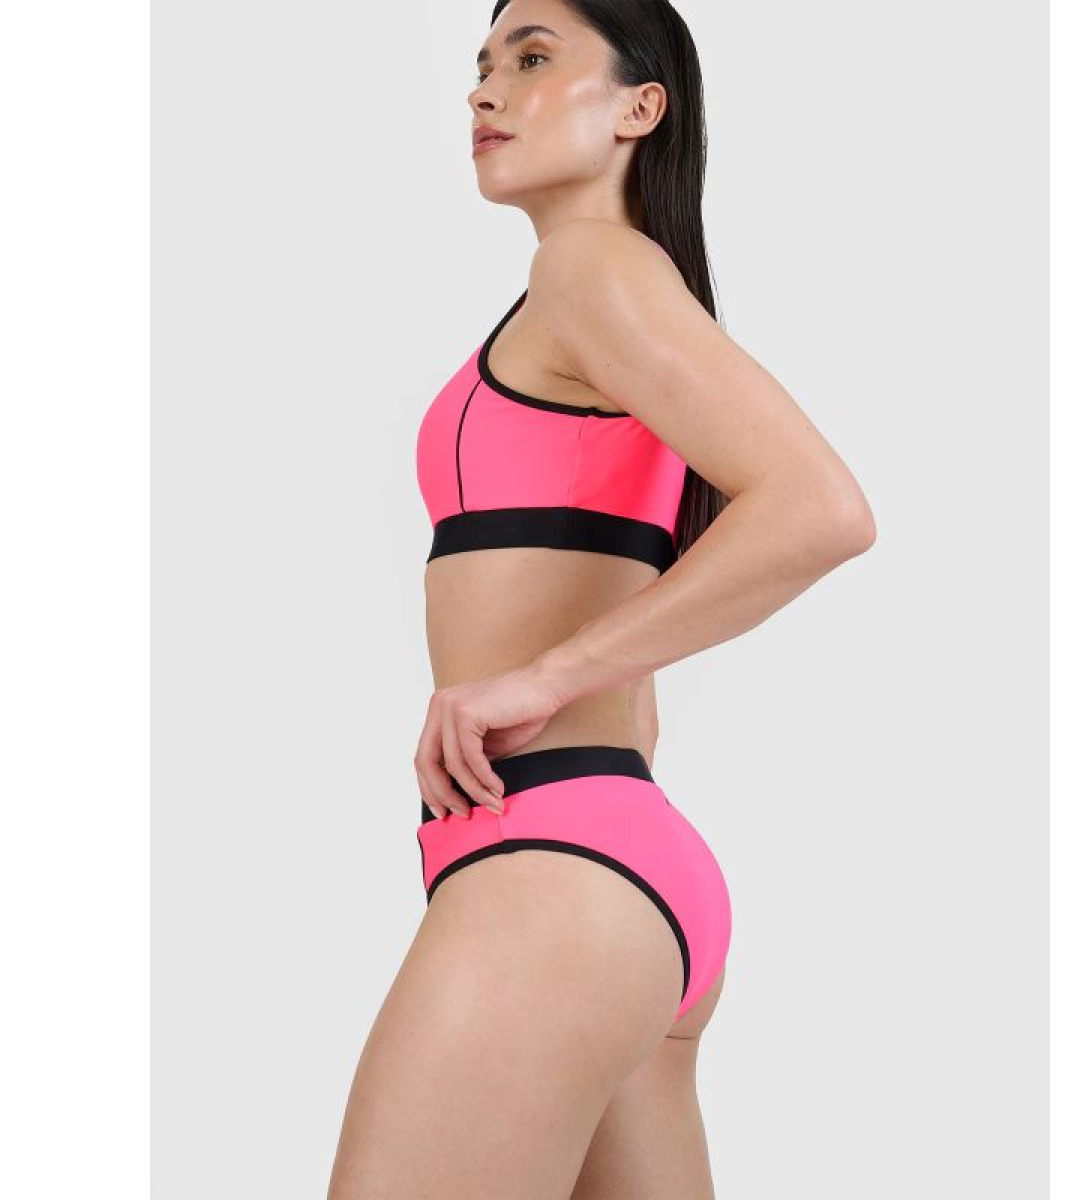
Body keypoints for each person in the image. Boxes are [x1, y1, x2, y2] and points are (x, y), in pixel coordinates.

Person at [328, 2, 876, 1196]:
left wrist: (540, 679)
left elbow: (820, 508)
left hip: (556, 870)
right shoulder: (611, 301)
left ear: (641, 107)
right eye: (480, 66)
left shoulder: (589, 268)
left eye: (532, 58)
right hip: (615, 865)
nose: (485, 90)